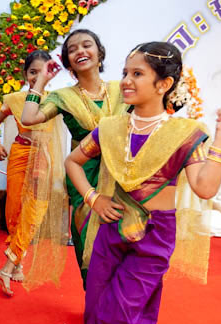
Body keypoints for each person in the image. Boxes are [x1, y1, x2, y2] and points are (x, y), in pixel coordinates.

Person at [54, 41, 221, 324]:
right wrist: (94, 197)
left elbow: (204, 187)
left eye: (137, 74)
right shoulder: (110, 128)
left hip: (154, 237)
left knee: (118, 315)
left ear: (163, 85)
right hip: (111, 228)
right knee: (100, 309)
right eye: (125, 72)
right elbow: (72, 162)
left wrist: (220, 136)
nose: (125, 80)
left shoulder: (184, 133)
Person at [21, 29, 129, 288]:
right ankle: (95, 299)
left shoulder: (122, 89)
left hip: (122, 174)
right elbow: (28, 118)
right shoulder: (63, 97)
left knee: (124, 236)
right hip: (84, 174)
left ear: (99, 54)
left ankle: (121, 302)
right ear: (68, 63)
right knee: (88, 238)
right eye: (73, 49)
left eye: (87, 45)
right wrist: (40, 82)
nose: (80, 51)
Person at [0, 50, 68, 296]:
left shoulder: (57, 99)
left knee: (34, 212)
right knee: (14, 209)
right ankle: (18, 261)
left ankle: (8, 265)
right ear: (25, 74)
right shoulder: (15, 99)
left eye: (42, 72)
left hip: (43, 158)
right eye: (32, 72)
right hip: (20, 154)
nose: (37, 76)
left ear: (50, 74)